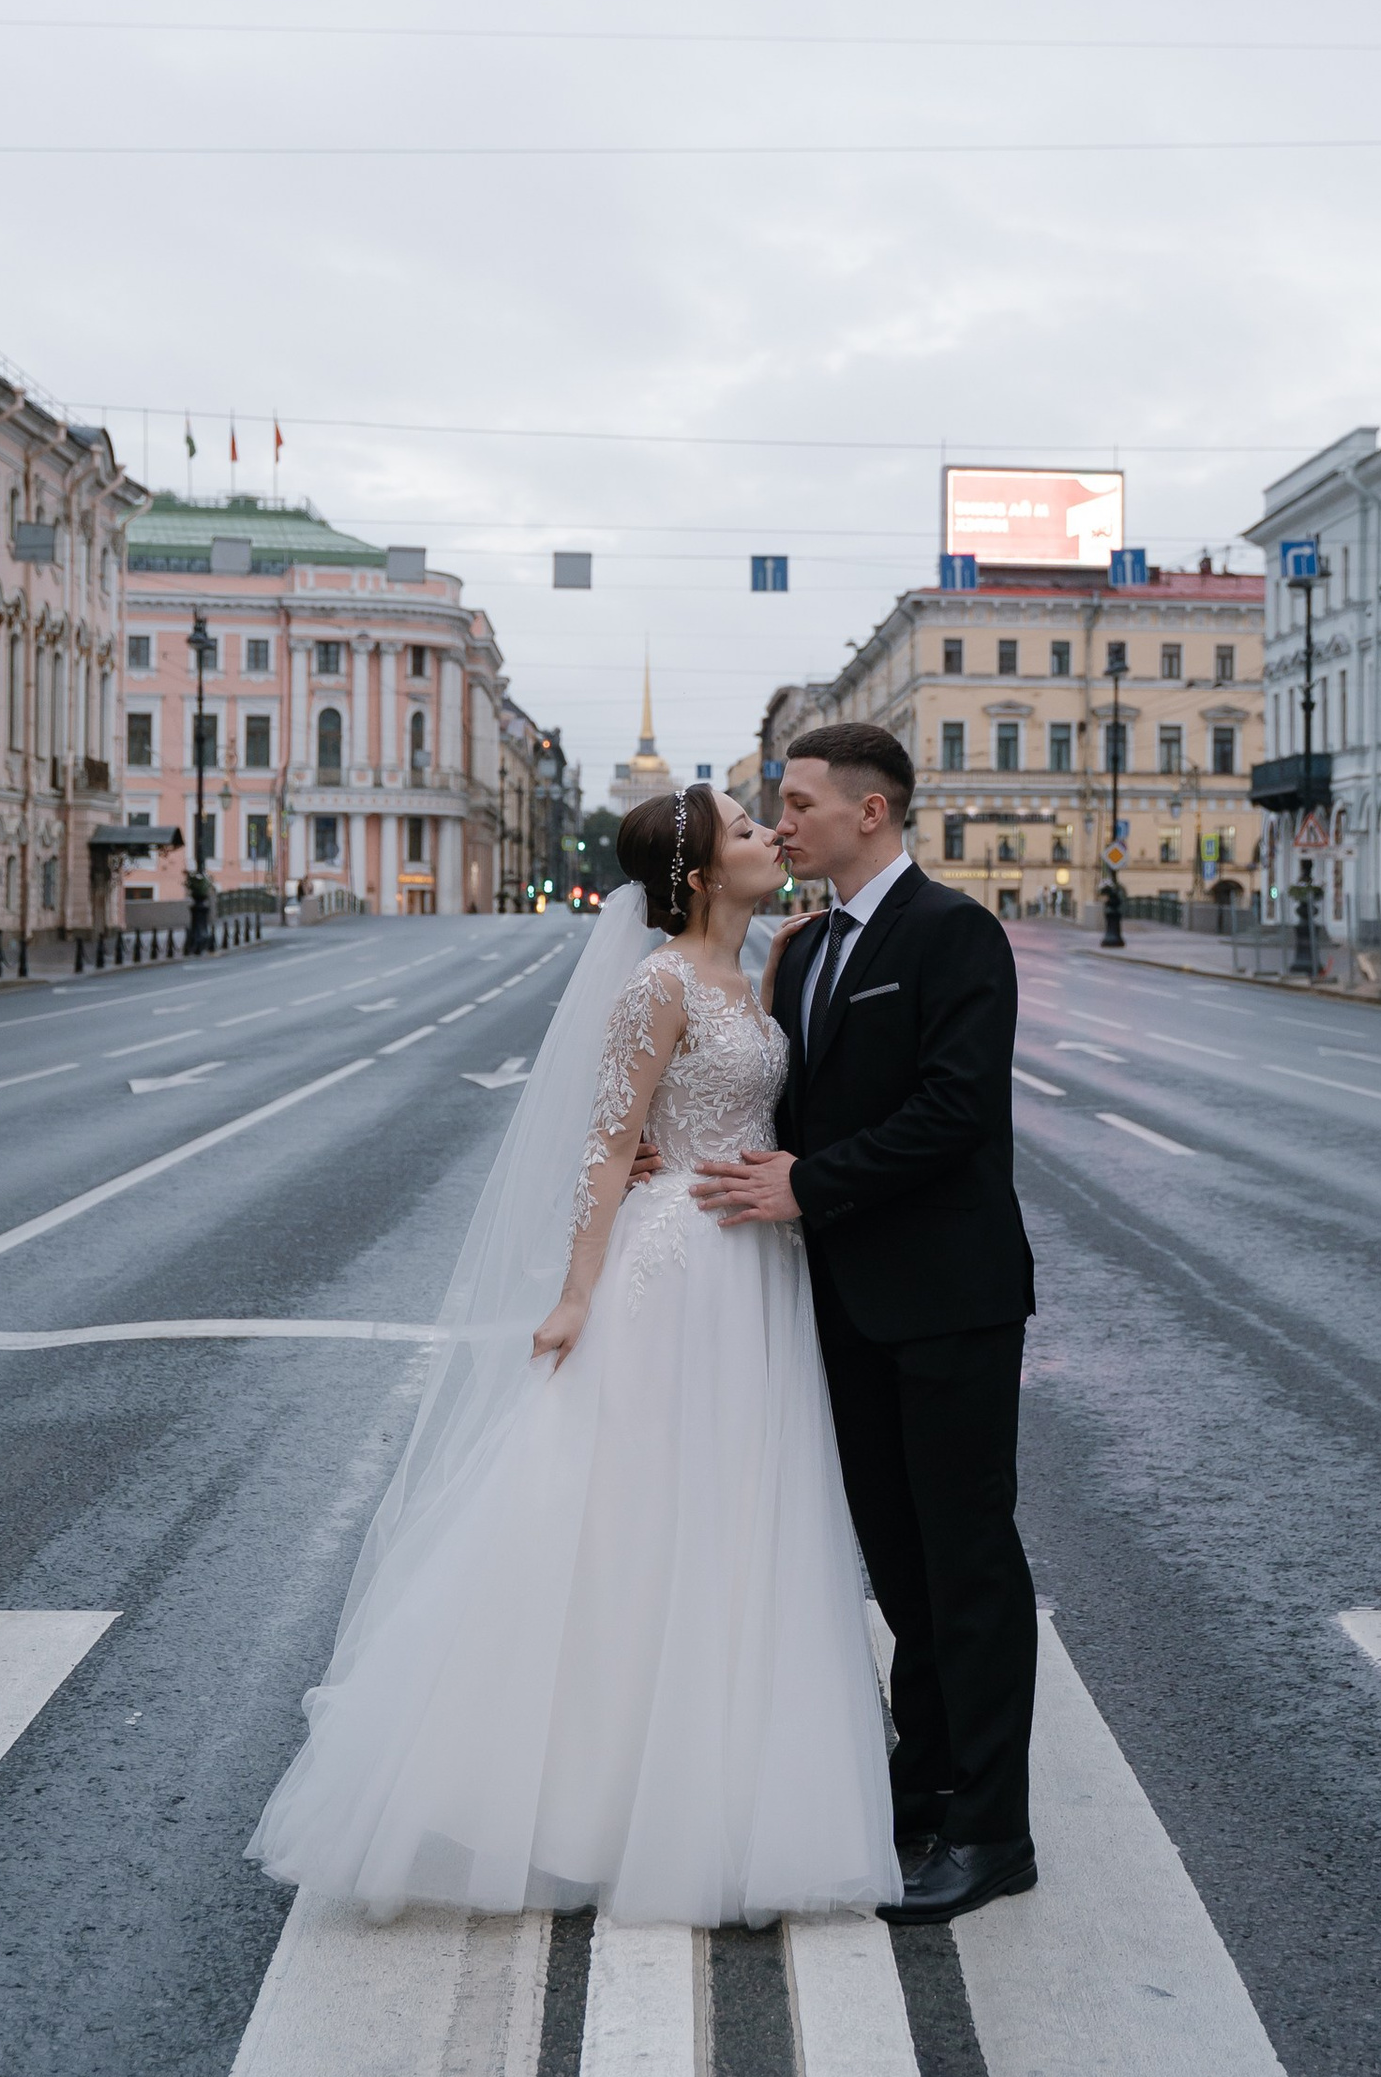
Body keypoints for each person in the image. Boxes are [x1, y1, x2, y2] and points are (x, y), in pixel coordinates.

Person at [249, 785, 896, 1926]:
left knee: (735, 1523)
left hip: (753, 1274)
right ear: (700, 874)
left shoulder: (760, 969)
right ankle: (579, 1799)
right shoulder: (657, 987)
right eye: (750, 830)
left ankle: (716, 1788)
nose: (772, 838)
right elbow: (606, 1149)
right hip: (674, 1275)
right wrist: (575, 1293)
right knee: (625, 1522)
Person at [695, 721, 1041, 1928]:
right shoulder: (811, 945)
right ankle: (924, 1785)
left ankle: (995, 1832)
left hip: (947, 1301)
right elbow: (787, 1093)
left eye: (794, 804)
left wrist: (810, 1183)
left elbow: (953, 1111)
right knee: (902, 1571)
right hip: (843, 1302)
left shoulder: (952, 934)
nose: (779, 823)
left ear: (871, 813)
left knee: (969, 1566)